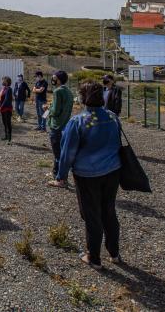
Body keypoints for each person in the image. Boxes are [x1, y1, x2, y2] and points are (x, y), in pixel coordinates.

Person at [50, 81, 122, 270]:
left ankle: (94, 257)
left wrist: (61, 175)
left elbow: (67, 152)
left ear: (82, 98)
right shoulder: (112, 117)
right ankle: (114, 253)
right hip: (113, 171)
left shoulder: (79, 121)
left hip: (87, 175)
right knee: (109, 211)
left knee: (92, 216)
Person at [45, 70, 74, 179]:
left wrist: (48, 108)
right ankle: (58, 173)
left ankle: (58, 176)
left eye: (54, 78)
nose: (53, 80)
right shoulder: (68, 91)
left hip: (56, 125)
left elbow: (56, 111)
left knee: (57, 153)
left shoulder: (57, 91)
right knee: (62, 151)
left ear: (59, 79)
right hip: (65, 124)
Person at [0, 76, 14, 143]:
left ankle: (9, 138)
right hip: (3, 108)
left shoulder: (9, 89)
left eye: (3, 80)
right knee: (4, 122)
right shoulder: (3, 88)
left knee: (8, 123)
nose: (2, 82)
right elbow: (0, 98)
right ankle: (6, 136)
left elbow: (6, 100)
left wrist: (1, 107)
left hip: (7, 108)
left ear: (6, 82)